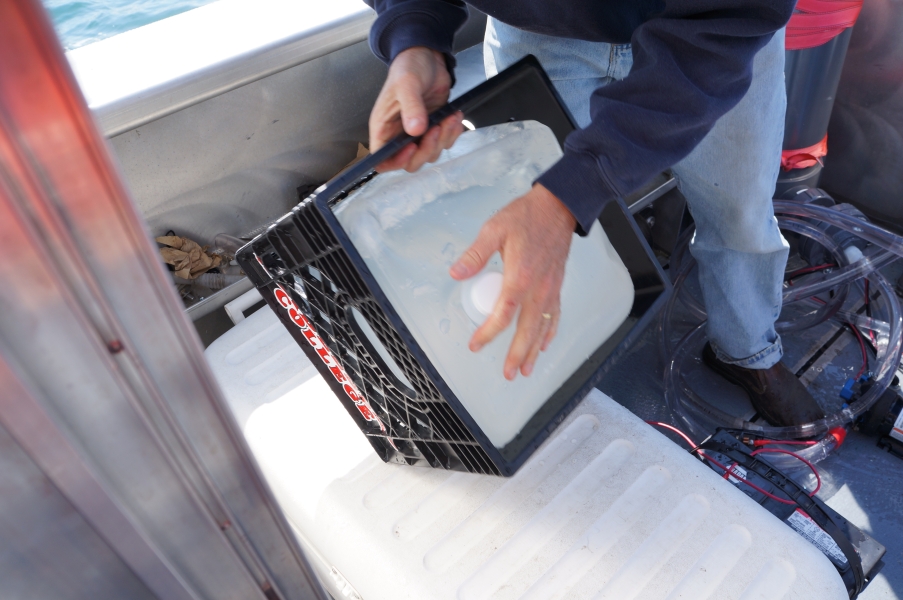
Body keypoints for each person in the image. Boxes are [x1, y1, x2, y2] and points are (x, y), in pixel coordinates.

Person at [362, 0, 826, 427]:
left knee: (741, 213)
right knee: (527, 240)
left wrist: (570, 194)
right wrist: (413, 30)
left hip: (715, 34)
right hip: (538, 31)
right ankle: (555, 372)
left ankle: (747, 351)